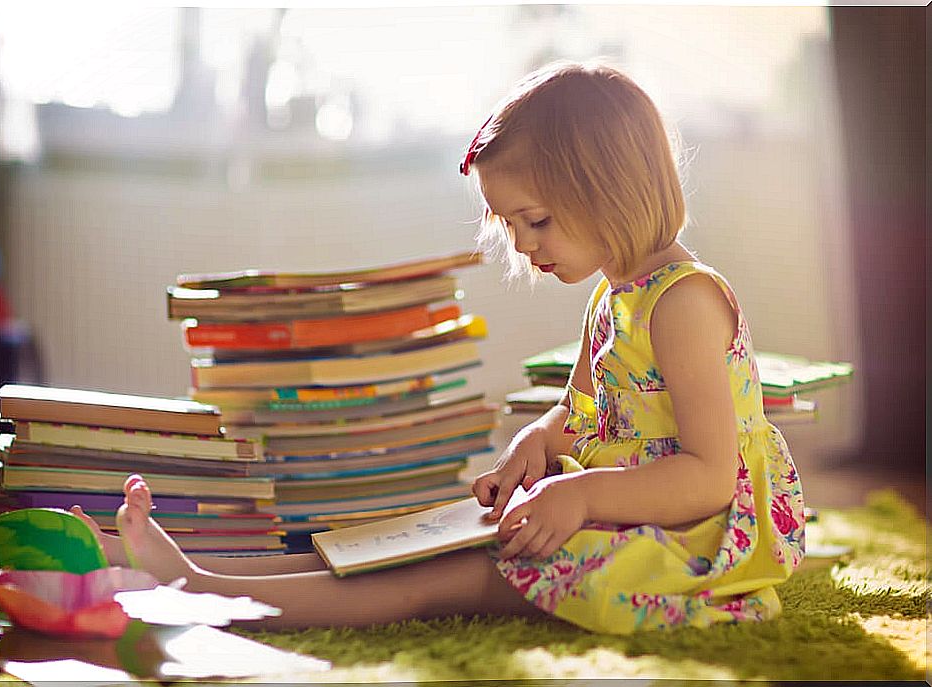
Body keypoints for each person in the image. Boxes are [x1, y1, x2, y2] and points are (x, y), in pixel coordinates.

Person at [75, 59, 805, 634]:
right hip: (623, 510)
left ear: (611, 188)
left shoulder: (683, 303)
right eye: (510, 223)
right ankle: (209, 569)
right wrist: (536, 442)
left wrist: (580, 493)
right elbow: (581, 412)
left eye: (537, 219)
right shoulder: (614, 296)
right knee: (414, 543)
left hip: (690, 545)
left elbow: (710, 477)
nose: (520, 243)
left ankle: (208, 592)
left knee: (444, 580)